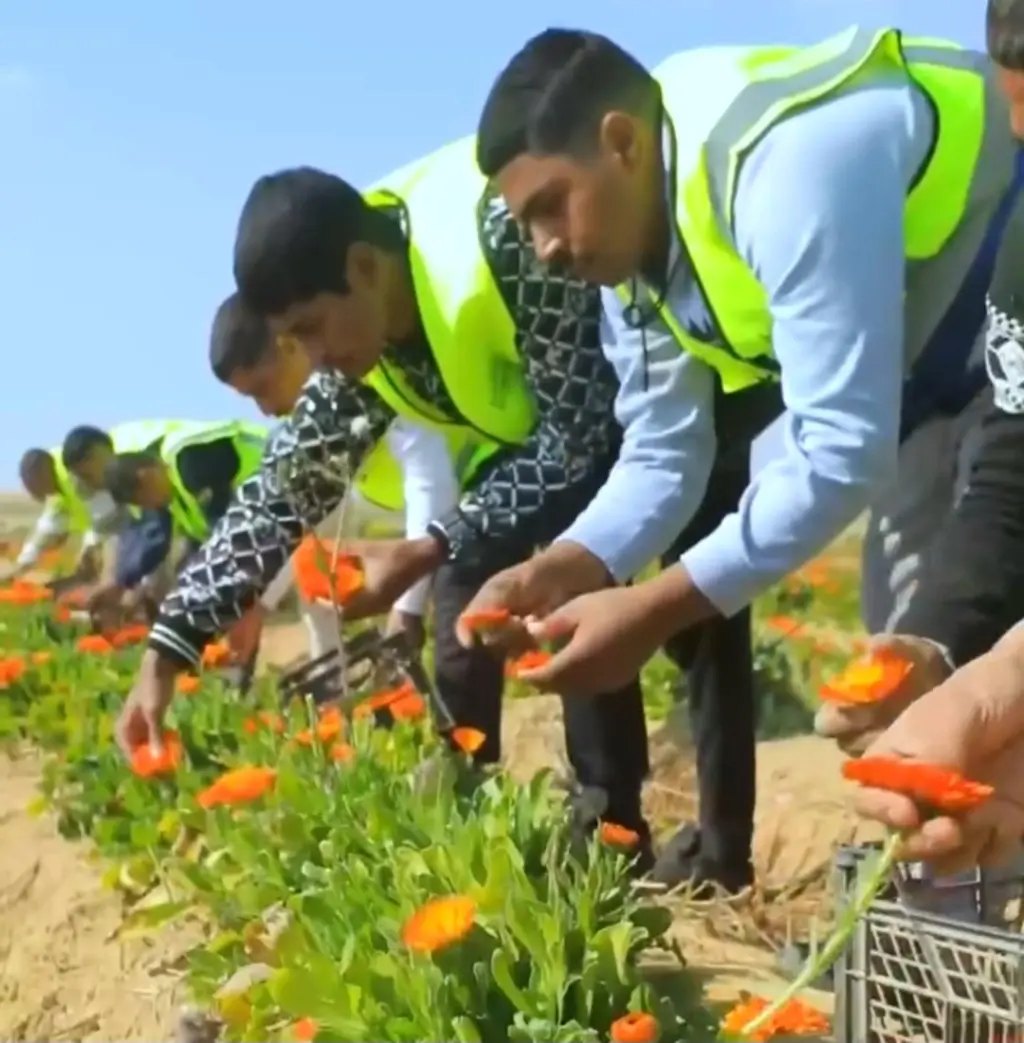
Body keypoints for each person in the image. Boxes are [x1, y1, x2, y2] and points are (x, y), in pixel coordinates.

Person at [455, 25, 1023, 892]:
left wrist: (653, 609)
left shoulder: (783, 167)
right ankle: (956, 938)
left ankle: (954, 937)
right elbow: (661, 450)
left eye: (549, 207)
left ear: (620, 142)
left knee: (955, 639)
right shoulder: (639, 261)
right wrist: (577, 562)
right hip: (929, 380)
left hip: (1001, 327)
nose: (545, 248)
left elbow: (838, 452)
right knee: (910, 657)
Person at [116, 148, 661, 872]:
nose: (309, 356)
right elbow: (281, 492)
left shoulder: (505, 242)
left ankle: (633, 828)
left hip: (665, 405)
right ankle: (502, 794)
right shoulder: (362, 327)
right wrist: (167, 649)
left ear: (365, 269)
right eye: (293, 339)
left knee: (618, 594)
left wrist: (428, 543)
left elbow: (580, 439)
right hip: (536, 441)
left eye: (310, 328)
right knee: (471, 590)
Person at [207, 292, 462, 662]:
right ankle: (330, 671)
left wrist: (408, 609)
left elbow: (432, 483)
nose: (265, 410)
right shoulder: (308, 420)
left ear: (290, 344)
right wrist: (257, 606)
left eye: (262, 388)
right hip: (385, 508)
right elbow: (291, 520)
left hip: (464, 494)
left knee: (458, 598)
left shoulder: (364, 375)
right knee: (312, 547)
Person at [59, 421, 194, 623]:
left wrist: (126, 585)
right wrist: (112, 582)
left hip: (199, 488)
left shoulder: (136, 462)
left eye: (87, 475)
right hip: (184, 511)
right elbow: (115, 532)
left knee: (182, 567)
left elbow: (156, 535)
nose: (89, 484)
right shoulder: (99, 478)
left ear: (96, 454)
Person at [4, 446, 104, 583]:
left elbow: (104, 515)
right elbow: (49, 526)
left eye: (34, 486)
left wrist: (89, 548)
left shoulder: (76, 474)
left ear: (41, 475)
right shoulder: (55, 480)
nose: (35, 494)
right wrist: (23, 564)